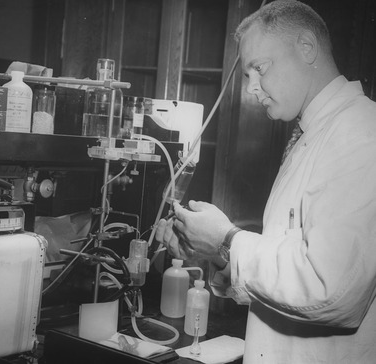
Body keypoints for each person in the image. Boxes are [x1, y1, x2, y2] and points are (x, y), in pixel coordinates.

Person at [155, 1, 376, 363]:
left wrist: (228, 238)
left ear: (307, 48)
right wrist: (213, 251)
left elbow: (332, 290)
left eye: (260, 68)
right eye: (247, 76)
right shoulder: (314, 133)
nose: (254, 88)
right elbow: (289, 265)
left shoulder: (360, 133)